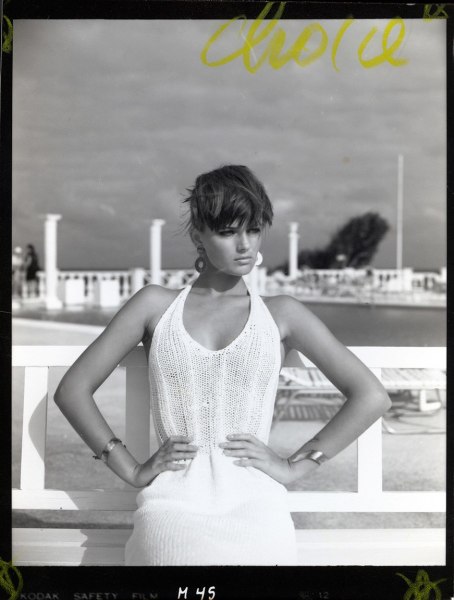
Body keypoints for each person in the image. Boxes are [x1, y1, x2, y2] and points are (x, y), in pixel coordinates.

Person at [54, 165, 391, 566]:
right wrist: (130, 469)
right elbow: (73, 390)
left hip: (257, 505)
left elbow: (370, 396)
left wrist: (294, 466)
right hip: (172, 505)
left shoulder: (283, 314)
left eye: (253, 229)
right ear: (198, 234)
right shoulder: (154, 304)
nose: (244, 244)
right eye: (228, 232)